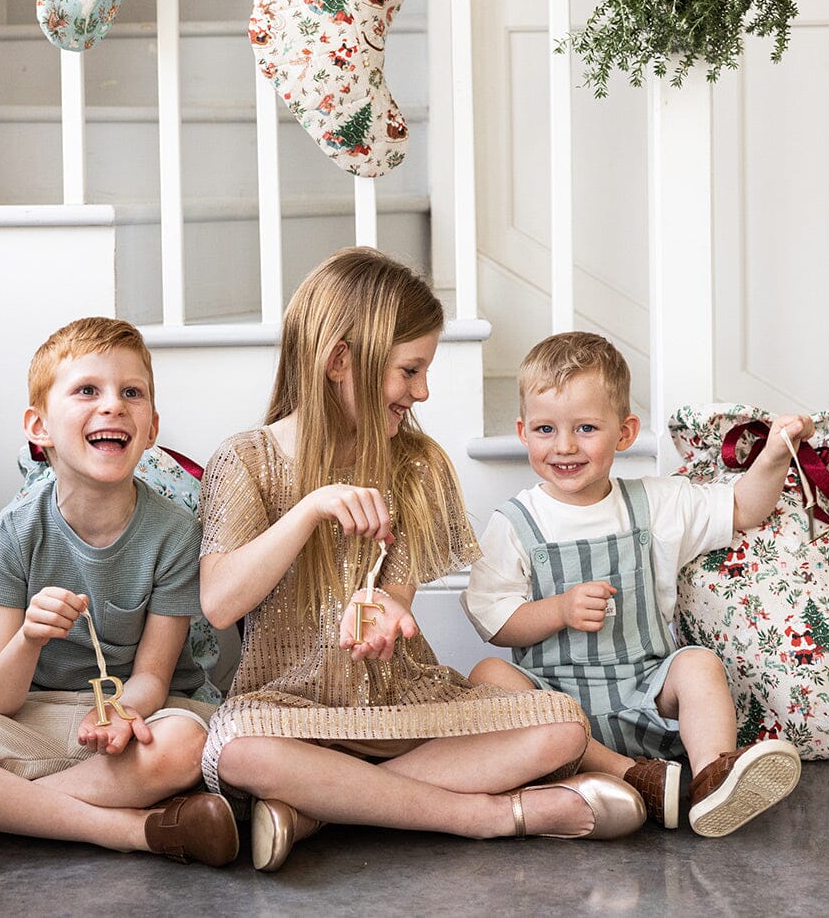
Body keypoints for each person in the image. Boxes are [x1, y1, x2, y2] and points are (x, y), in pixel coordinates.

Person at [197, 249, 646, 872]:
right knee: (236, 749)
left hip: (400, 703)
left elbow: (397, 598)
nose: (423, 391)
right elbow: (220, 603)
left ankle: (316, 808)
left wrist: (390, 612)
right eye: (410, 370)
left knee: (563, 729)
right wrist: (309, 510)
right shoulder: (244, 460)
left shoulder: (416, 463)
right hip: (289, 708)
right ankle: (488, 816)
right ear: (338, 361)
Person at [0, 317, 239, 867]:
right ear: (39, 427)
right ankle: (127, 829)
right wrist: (30, 638)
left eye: (131, 392)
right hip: (35, 714)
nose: (113, 406)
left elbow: (153, 677)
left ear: (151, 428)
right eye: (87, 390)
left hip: (135, 718)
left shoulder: (176, 533)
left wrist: (119, 713)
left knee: (186, 749)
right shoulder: (17, 530)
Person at [462, 330, 807, 837]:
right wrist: (557, 610)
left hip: (644, 695)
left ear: (624, 433)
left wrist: (776, 455)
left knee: (697, 664)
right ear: (521, 432)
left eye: (585, 428)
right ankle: (631, 777)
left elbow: (741, 507)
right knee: (488, 674)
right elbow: (494, 622)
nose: (563, 446)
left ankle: (713, 776)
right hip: (558, 706)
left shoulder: (655, 504)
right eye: (544, 429)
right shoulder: (516, 522)